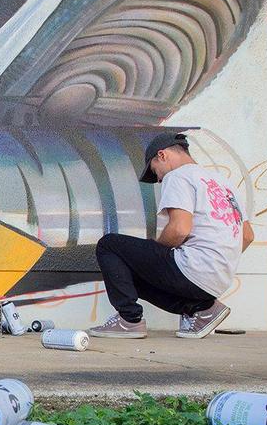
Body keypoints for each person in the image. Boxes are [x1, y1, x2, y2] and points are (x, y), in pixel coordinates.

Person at [88, 133, 254, 339]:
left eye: (154, 171)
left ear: (162, 155)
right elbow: (247, 236)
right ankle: (202, 309)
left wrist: (154, 255)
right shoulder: (224, 182)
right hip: (218, 279)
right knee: (129, 272)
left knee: (109, 244)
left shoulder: (178, 176)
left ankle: (128, 320)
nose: (158, 179)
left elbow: (179, 229)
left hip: (194, 269)